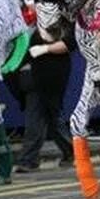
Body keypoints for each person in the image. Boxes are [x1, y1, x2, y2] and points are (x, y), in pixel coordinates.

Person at [9, 18, 76, 173]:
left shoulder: (60, 19)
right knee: (52, 116)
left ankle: (28, 159)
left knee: (37, 116)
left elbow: (69, 44)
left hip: (48, 74)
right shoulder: (25, 21)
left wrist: (45, 49)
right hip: (30, 74)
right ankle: (72, 152)